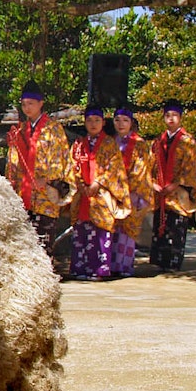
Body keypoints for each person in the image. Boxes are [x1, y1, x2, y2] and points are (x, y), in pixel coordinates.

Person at [66, 107, 130, 280]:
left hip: (102, 194)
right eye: (89, 120)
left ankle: (98, 270)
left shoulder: (110, 144)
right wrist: (80, 183)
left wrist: (98, 182)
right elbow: (71, 166)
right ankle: (80, 269)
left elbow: (114, 168)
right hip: (83, 193)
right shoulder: (78, 144)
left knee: (100, 232)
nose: (93, 124)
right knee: (81, 231)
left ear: (103, 122)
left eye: (97, 120)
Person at [6, 80, 71, 248]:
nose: (27, 108)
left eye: (31, 104)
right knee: (23, 245)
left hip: (44, 195)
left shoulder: (53, 129)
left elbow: (59, 160)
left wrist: (48, 179)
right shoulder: (21, 130)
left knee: (42, 244)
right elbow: (13, 161)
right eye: (24, 104)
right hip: (23, 193)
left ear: (41, 103)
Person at [149, 100, 196, 271]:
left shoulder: (188, 141)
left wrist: (175, 184)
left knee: (176, 227)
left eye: (175, 116)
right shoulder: (157, 141)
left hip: (178, 193)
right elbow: (151, 165)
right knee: (160, 226)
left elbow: (190, 168)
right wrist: (153, 184)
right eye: (168, 116)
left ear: (181, 118)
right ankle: (160, 263)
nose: (171, 119)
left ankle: (173, 263)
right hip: (160, 192)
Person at [112, 109, 155, 277]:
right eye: (117, 120)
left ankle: (125, 266)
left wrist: (126, 188)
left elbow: (142, 170)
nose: (121, 124)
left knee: (127, 231)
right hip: (113, 192)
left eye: (125, 120)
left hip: (132, 192)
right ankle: (112, 264)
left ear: (131, 123)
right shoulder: (111, 142)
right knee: (114, 229)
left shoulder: (140, 144)